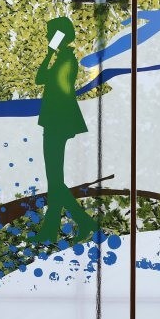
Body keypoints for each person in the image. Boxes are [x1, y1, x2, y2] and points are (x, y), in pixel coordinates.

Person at [30, 16, 98, 243]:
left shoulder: (67, 60)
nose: (47, 37)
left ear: (59, 36)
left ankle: (76, 224)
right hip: (55, 121)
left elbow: (55, 87)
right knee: (55, 180)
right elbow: (39, 78)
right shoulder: (61, 58)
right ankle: (57, 229)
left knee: (55, 180)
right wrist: (49, 53)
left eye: (51, 34)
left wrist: (51, 53)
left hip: (57, 122)